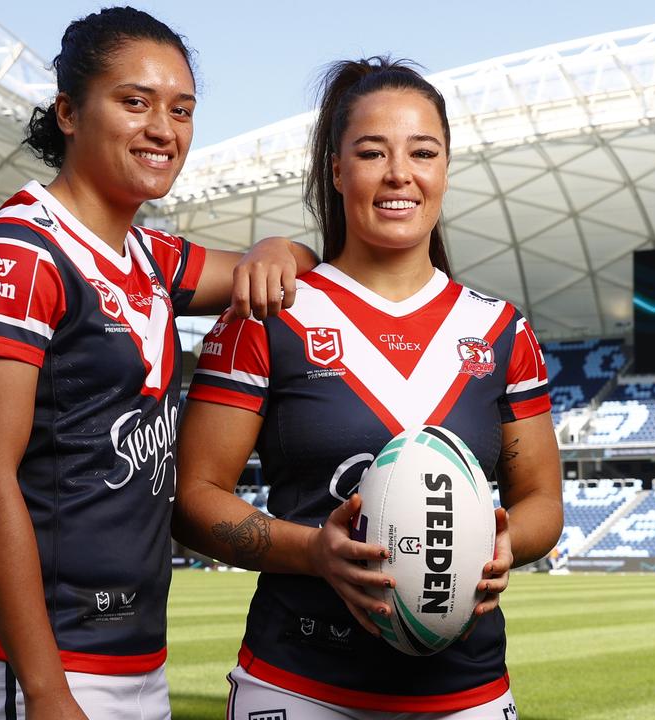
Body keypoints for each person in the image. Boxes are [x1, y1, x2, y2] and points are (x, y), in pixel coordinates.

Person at [0, 8, 316, 720]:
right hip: (36, 670)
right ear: (70, 113)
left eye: (182, 109)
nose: (163, 130)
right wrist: (46, 692)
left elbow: (293, 269)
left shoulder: (152, 258)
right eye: (134, 102)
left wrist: (276, 247)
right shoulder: (17, 257)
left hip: (139, 663)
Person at [173, 57, 563, 718]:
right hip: (297, 686)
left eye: (423, 152)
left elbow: (542, 501)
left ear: (444, 168)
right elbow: (192, 498)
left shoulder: (501, 331)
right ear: (337, 169)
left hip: (464, 693)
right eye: (371, 152)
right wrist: (314, 552)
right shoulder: (268, 315)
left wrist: (507, 542)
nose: (399, 174)